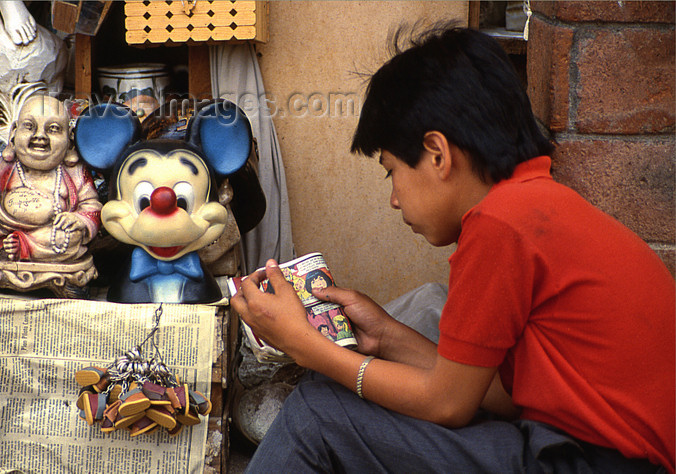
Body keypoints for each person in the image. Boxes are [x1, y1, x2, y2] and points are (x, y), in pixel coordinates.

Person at [230, 22, 675, 473]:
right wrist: (386, 335)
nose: (394, 198)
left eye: (392, 171)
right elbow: (497, 393)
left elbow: (448, 404)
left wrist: (309, 347)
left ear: (438, 154)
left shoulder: (500, 225)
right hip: (587, 450)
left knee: (316, 414)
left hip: (594, 462)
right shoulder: (540, 204)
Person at [0, 94, 101, 262]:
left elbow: (92, 205)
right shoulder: (6, 165)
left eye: (54, 129)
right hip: (1, 228)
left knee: (69, 236)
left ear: (69, 138)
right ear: (14, 132)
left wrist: (78, 219)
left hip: (47, 235)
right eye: (29, 126)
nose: (40, 135)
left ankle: (24, 247)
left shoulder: (74, 172)